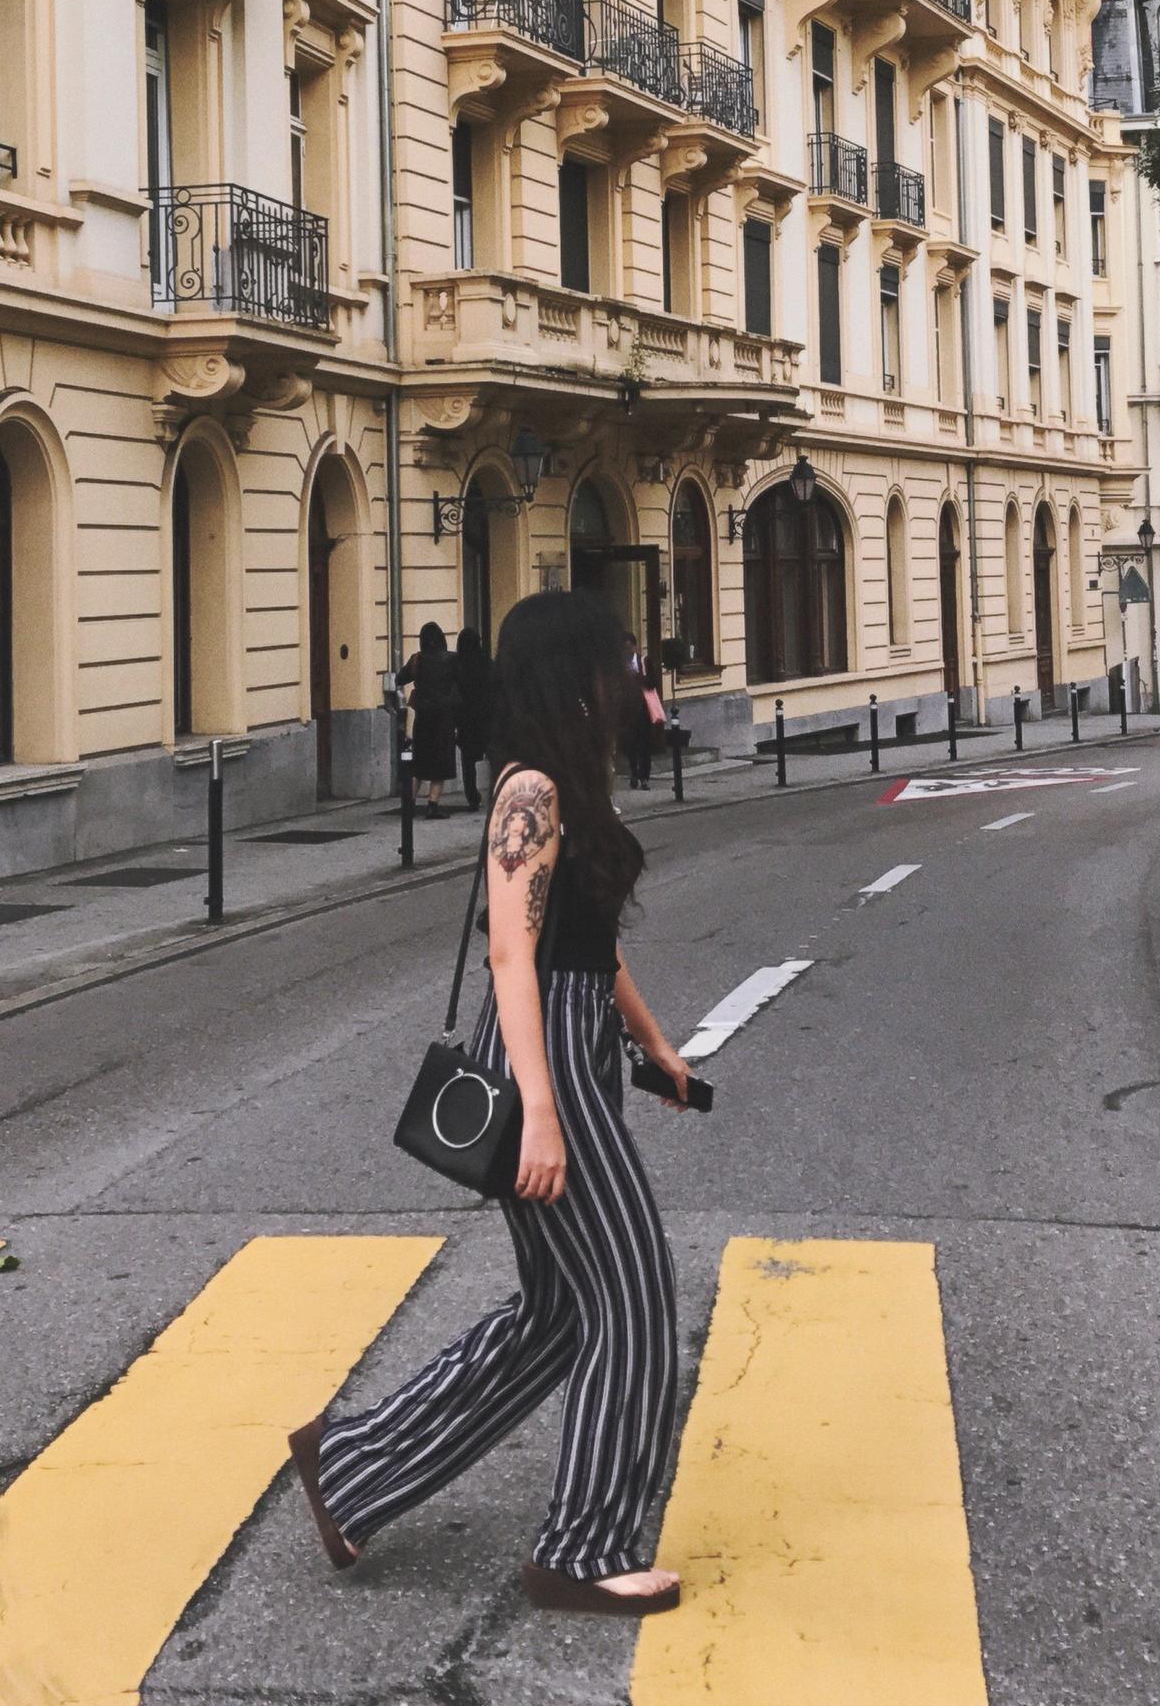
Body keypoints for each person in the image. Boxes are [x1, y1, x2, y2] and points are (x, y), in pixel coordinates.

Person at [292, 586, 693, 1617]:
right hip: (541, 1058)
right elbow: (513, 952)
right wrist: (546, 1108)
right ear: (575, 675)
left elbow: (588, 946)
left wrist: (655, 1045)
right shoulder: (529, 793)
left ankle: (354, 1466)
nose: (627, 682)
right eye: (614, 663)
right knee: (636, 1299)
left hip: (570, 1042)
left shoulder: (564, 786)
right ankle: (584, 1546)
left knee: (561, 1313)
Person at [398, 621, 461, 815]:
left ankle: (409, 803)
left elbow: (400, 678)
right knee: (440, 763)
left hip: (423, 718)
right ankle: (433, 805)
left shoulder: (417, 659)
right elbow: (461, 682)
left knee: (419, 763)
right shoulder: (452, 660)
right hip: (444, 717)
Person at [455, 625, 505, 812]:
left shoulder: (458, 666)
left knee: (468, 763)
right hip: (488, 718)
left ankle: (472, 797)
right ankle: (496, 792)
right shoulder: (488, 664)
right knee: (493, 758)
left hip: (467, 720)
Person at [622, 639, 664, 790]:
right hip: (628, 711)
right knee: (630, 745)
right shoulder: (620, 664)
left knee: (644, 745)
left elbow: (654, 682)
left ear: (634, 646)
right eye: (624, 649)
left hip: (644, 710)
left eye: (629, 648)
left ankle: (645, 777)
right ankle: (634, 773)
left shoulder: (644, 661)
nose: (627, 652)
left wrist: (638, 678)